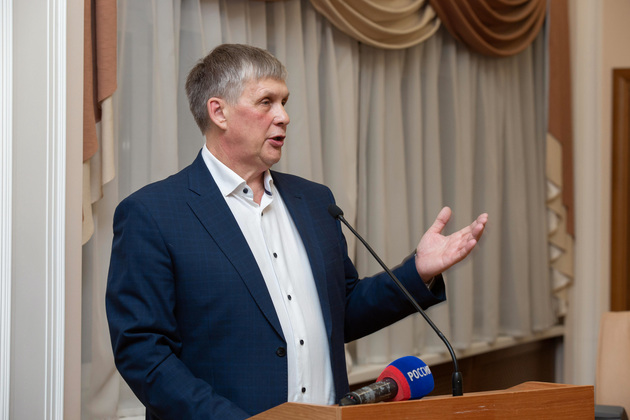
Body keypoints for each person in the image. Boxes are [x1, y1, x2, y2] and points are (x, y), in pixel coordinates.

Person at [106, 43, 488, 420]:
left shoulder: (315, 201)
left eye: (284, 102)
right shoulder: (153, 214)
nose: (284, 116)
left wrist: (418, 271)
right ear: (219, 112)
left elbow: (342, 312)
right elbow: (144, 354)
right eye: (266, 102)